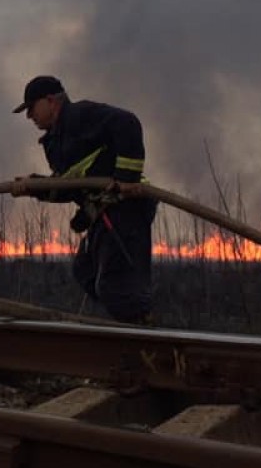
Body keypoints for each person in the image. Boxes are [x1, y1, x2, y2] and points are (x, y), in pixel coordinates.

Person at [12, 76, 156, 324]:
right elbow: (68, 186)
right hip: (102, 214)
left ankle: (141, 332)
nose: (29, 116)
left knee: (115, 286)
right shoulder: (55, 141)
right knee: (84, 270)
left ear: (50, 101)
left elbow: (128, 123)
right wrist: (33, 187)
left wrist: (126, 178)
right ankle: (128, 319)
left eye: (32, 107)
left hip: (124, 208)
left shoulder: (80, 116)